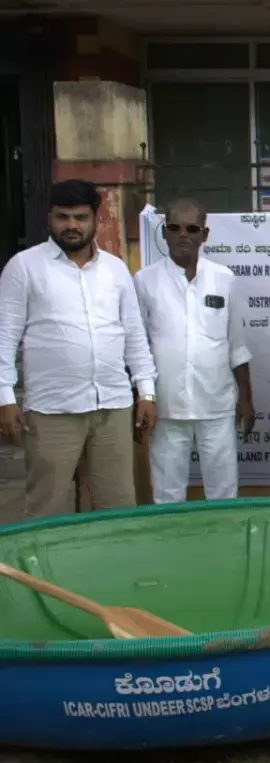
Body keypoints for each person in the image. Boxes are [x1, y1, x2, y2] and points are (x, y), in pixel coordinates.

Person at [0, 179, 158, 519]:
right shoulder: (24, 267)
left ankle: (112, 569)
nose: (72, 225)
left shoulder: (116, 269)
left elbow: (134, 335)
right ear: (49, 218)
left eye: (80, 217)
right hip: (53, 410)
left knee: (117, 505)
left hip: (113, 406)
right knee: (48, 505)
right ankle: (45, 573)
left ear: (95, 220)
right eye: (63, 216)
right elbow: (4, 336)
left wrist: (146, 392)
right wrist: (5, 399)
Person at [135, 198, 255, 503]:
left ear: (205, 235)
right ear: (164, 233)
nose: (183, 235)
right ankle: (171, 545)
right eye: (174, 227)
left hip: (216, 404)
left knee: (223, 490)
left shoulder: (224, 279)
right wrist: (143, 398)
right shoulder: (144, 281)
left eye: (192, 228)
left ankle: (223, 545)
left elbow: (236, 345)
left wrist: (247, 399)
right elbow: (138, 348)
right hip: (166, 406)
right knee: (167, 492)